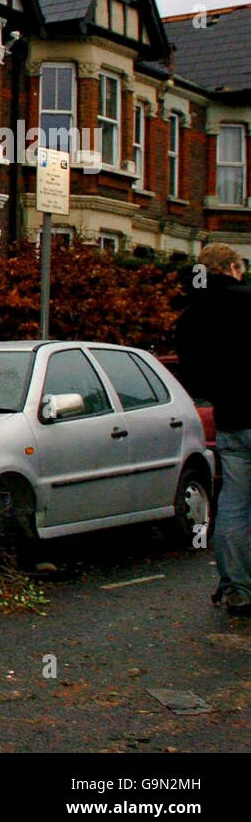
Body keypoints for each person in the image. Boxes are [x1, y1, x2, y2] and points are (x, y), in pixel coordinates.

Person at [175, 243, 251, 614]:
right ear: (233, 267)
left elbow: (193, 377)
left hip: (232, 421)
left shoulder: (191, 315)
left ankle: (238, 587)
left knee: (234, 506)